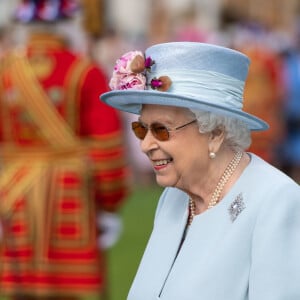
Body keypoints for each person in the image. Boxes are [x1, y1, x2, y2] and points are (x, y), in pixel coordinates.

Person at [100, 42, 300, 300]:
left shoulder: (276, 202)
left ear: (215, 133)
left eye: (162, 130)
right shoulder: (174, 197)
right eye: (141, 129)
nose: (146, 145)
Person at [0, 1, 130, 299]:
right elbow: (107, 147)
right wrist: (110, 203)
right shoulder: (84, 70)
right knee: (71, 289)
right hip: (70, 196)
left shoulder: (5, 71)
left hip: (15, 194)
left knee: (23, 289)